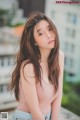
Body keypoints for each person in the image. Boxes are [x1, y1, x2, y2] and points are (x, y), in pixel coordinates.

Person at [9, 11, 64, 120]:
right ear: (34, 42)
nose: (49, 35)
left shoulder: (59, 57)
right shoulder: (29, 67)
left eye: (49, 29)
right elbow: (34, 110)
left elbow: (58, 96)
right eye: (40, 33)